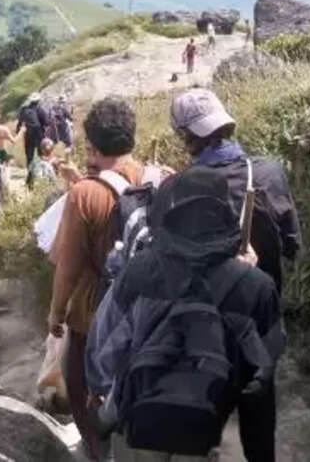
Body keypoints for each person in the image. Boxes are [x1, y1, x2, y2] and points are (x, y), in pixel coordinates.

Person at [87, 166, 284, 462]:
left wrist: (106, 396)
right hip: (204, 434)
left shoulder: (140, 269)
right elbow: (260, 386)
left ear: (172, 211)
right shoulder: (256, 286)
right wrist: (261, 455)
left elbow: (102, 347)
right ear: (227, 213)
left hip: (138, 428)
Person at [46, 96, 142, 461]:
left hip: (94, 313)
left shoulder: (85, 194)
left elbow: (68, 266)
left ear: (93, 145)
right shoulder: (154, 176)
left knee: (83, 386)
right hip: (144, 306)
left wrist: (56, 313)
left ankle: (98, 452)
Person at [169, 88, 301, 291]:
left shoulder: (177, 188)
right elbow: (291, 245)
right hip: (266, 300)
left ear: (183, 135)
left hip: (208, 306)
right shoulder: (269, 172)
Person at [17, 92, 50, 168]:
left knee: (29, 153)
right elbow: (46, 122)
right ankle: (42, 170)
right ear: (38, 101)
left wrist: (18, 131)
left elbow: (20, 121)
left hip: (28, 133)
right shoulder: (40, 110)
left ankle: (30, 171)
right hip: (39, 133)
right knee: (41, 152)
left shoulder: (24, 109)